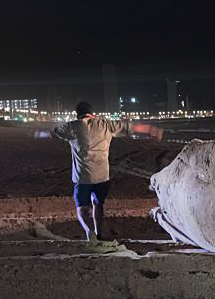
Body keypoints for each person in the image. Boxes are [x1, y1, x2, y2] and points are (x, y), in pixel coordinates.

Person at [52, 102, 163, 244]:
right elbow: (130, 127)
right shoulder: (105, 125)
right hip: (102, 177)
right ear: (92, 113)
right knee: (98, 205)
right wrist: (151, 129)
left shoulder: (72, 126)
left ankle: (88, 232)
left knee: (82, 207)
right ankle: (98, 232)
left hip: (82, 178)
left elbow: (54, 132)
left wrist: (45, 132)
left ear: (77, 114)